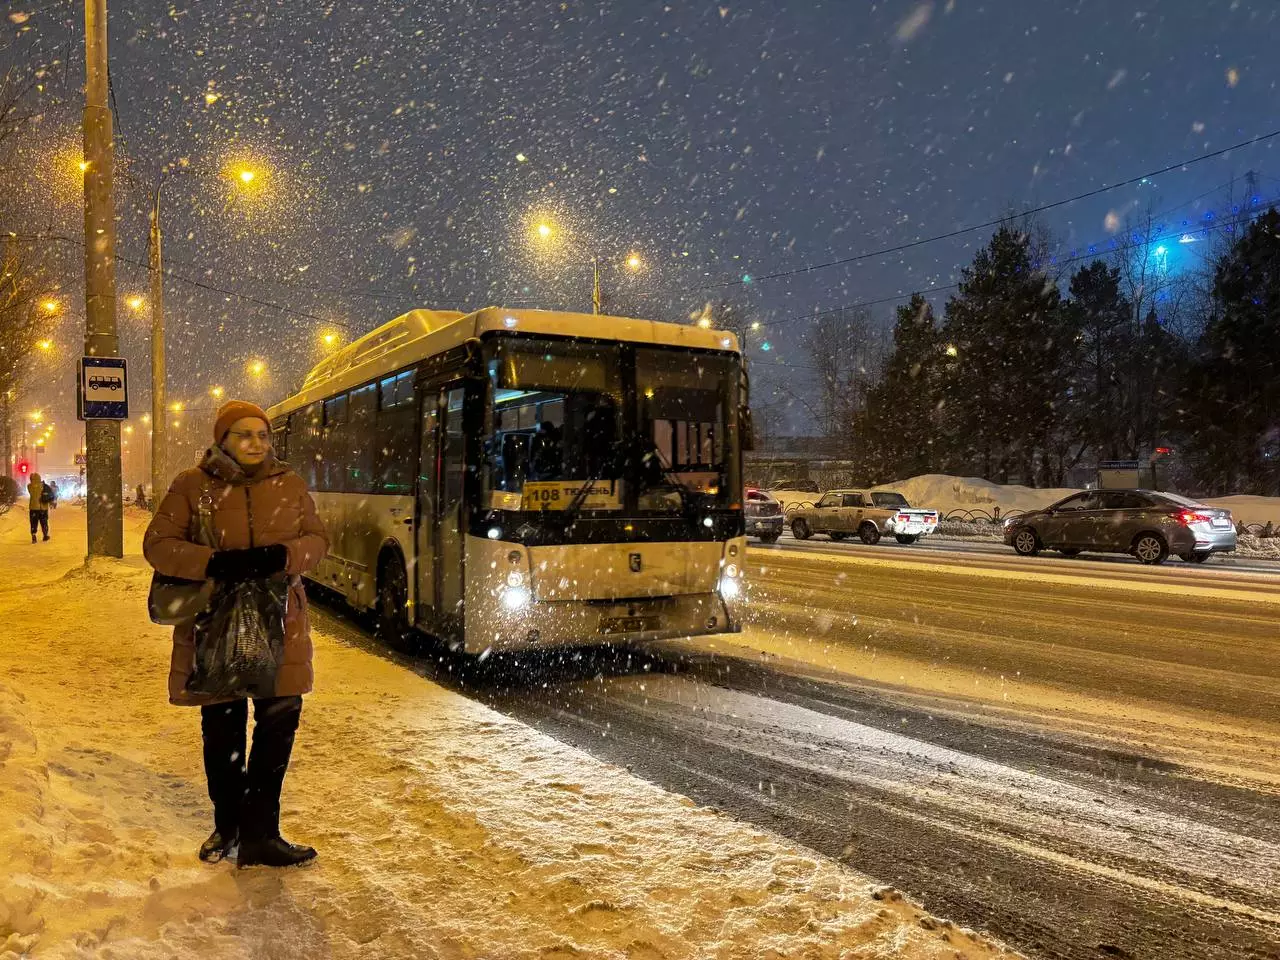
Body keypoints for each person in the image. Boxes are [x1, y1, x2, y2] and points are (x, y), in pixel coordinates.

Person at [143, 400, 328, 868]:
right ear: (222, 439)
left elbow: (318, 541)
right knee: (222, 731)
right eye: (244, 434)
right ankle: (228, 826)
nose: (255, 443)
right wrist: (214, 563)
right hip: (214, 624)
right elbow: (158, 546)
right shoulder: (191, 485)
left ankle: (263, 833)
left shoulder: (289, 484)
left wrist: (281, 557)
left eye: (262, 435)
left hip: (280, 623)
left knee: (277, 728)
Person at [27, 472, 50, 543]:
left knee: (33, 522)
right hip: (43, 507)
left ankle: (33, 535)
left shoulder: (30, 486)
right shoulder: (43, 486)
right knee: (44, 522)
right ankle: (45, 535)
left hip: (34, 508)